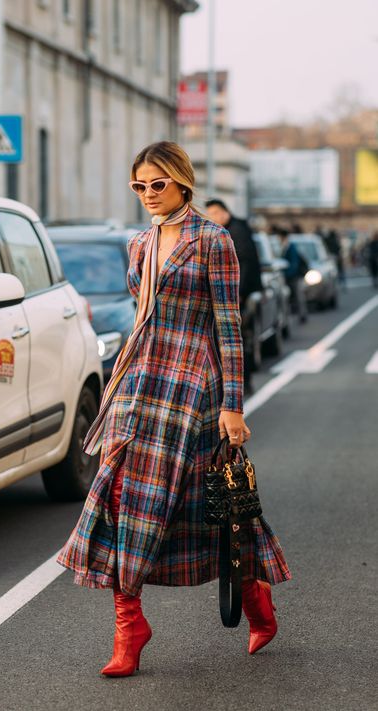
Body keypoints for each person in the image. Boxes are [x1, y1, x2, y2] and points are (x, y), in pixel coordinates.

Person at [58, 142, 290, 677]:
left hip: (192, 386)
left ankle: (255, 597)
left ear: (183, 181)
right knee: (119, 494)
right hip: (138, 380)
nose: (147, 196)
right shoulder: (139, 243)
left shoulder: (214, 241)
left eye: (156, 185)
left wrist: (233, 405)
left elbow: (229, 326)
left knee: (211, 502)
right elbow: (142, 317)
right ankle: (129, 625)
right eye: (139, 187)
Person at [205, 199, 263, 396]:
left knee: (235, 338)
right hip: (238, 293)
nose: (211, 218)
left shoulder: (235, 231)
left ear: (223, 212)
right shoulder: (233, 229)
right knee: (233, 339)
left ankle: (242, 383)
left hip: (241, 294)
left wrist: (237, 294)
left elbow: (243, 264)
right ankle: (238, 384)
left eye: (213, 213)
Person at [277, 227, 308, 323]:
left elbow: (294, 263)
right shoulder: (284, 247)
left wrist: (287, 274)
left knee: (298, 296)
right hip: (290, 276)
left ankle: (302, 315)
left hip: (294, 276)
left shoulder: (290, 247)